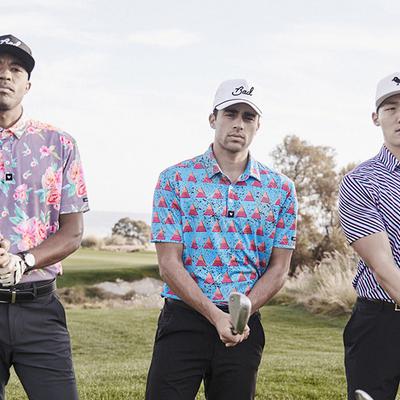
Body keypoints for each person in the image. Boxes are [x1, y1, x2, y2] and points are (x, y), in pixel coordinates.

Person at [145, 79, 298, 400]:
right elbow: (168, 264)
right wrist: (215, 316)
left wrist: (242, 315)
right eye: (230, 114)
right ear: (213, 118)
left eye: (248, 117)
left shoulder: (281, 188)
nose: (239, 124)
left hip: (244, 325)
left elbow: (279, 269)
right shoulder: (175, 179)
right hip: (183, 320)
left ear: (258, 126)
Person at [0, 34, 89, 400]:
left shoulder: (59, 144)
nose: (5, 75)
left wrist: (23, 261)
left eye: (16, 69)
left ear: (28, 84)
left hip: (39, 308)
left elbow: (73, 232)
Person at [339, 72, 400, 400]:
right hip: (379, 323)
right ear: (376, 118)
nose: (399, 116)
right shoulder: (360, 181)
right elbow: (382, 265)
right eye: (391, 108)